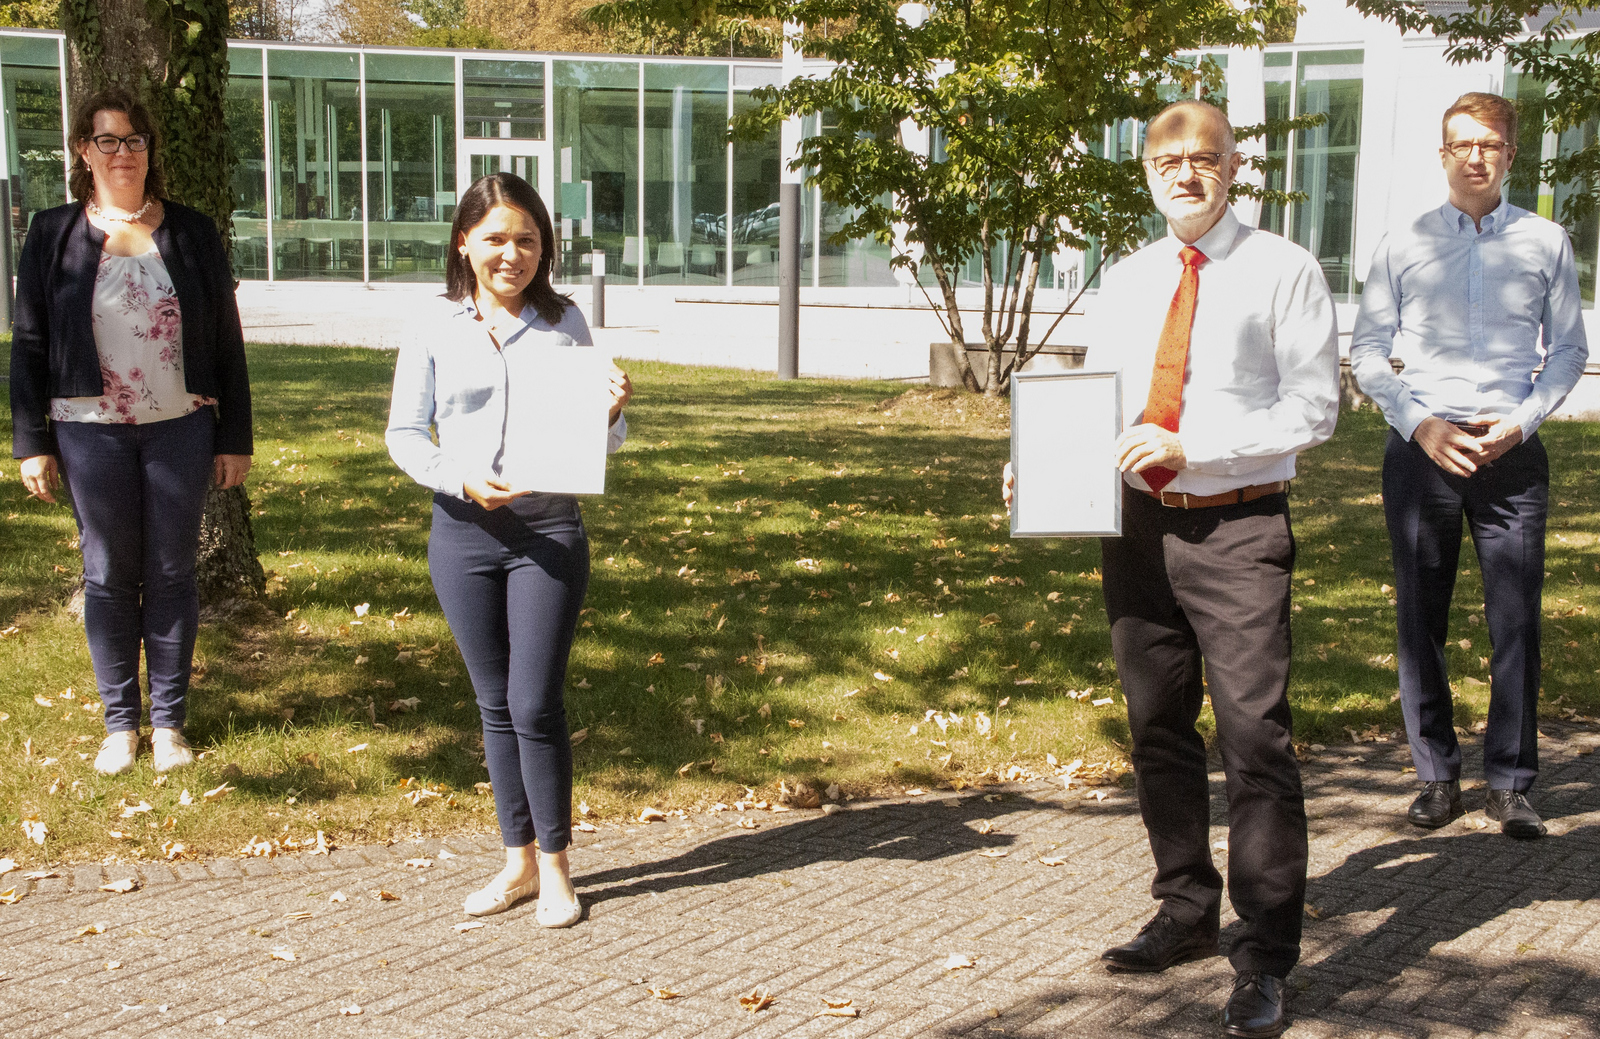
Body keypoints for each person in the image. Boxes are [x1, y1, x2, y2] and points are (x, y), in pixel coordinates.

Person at [1008, 99, 1338, 1038]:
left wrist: (1190, 446)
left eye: (1205, 157)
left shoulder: (1285, 270)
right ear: (1148, 173)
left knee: (1255, 740)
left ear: (1234, 167)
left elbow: (1313, 409)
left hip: (1238, 530)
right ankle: (1187, 907)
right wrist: (1042, 460)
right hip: (1138, 532)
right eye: (1168, 161)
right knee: (1157, 726)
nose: (1186, 173)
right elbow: (1102, 398)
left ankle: (1265, 952)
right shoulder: (1127, 277)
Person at [387, 172, 631, 929]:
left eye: (527, 239)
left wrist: (612, 413)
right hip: (461, 534)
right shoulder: (432, 326)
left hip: (547, 531)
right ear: (464, 242)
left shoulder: (565, 322)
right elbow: (404, 433)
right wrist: (455, 476)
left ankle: (557, 868)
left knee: (535, 701)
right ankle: (517, 860)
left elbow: (602, 441)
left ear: (543, 247)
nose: (512, 253)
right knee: (494, 704)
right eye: (495, 237)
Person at [1350, 92, 1588, 840]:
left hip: (1511, 451)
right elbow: (1365, 351)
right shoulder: (1403, 241)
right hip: (1423, 450)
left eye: (1489, 144)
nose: (1475, 156)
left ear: (1512, 154)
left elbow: (1572, 350)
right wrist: (1418, 425)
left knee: (1515, 618)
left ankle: (1512, 783)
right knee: (1420, 616)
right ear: (1444, 154)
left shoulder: (1547, 242)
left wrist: (1523, 422)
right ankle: (1437, 776)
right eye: (1461, 144)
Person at [9, 88, 253, 776]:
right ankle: (121, 724)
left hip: (180, 426)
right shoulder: (54, 232)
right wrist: (32, 441)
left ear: (150, 151)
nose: (122, 153)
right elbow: (28, 343)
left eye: (134, 141)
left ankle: (169, 721)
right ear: (84, 152)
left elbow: (228, 340)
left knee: (173, 570)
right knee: (110, 573)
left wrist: (234, 434)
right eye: (106, 141)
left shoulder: (193, 231)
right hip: (90, 432)